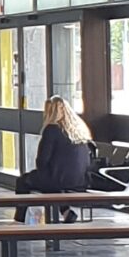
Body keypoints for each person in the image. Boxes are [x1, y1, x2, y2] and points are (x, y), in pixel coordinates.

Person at [14, 95, 92, 223]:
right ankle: (66, 212)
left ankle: (20, 218)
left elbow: (42, 160)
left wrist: (43, 171)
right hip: (80, 180)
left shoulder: (51, 130)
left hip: (58, 179)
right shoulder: (79, 130)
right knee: (50, 181)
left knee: (23, 181)